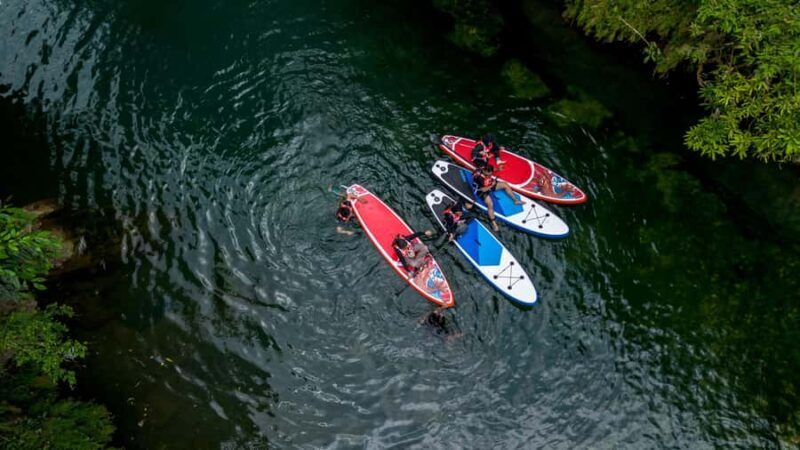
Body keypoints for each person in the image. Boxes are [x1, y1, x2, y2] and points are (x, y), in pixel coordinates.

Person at [472, 164, 522, 231]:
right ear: (484, 171)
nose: (490, 175)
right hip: (481, 190)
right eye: (488, 174)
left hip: (489, 184)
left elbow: (491, 171)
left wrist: (498, 169)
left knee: (505, 185)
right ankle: (493, 222)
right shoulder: (479, 178)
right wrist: (491, 185)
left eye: (490, 174)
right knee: (490, 204)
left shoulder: (484, 168)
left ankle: (515, 200)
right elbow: (483, 189)